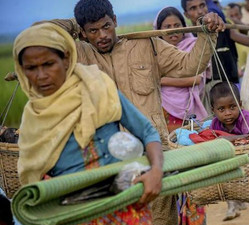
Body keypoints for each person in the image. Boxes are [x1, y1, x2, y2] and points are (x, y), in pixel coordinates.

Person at [40, 0, 225, 224]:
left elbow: (188, 65)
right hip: (105, 164)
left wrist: (207, 32)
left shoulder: (146, 45)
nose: (102, 36)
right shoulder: (77, 55)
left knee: (160, 219)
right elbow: (42, 33)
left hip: (153, 155)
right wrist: (73, 24)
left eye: (106, 26)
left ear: (115, 20)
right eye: (93, 30)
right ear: (83, 32)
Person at [13, 22, 163, 224]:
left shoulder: (98, 86)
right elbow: (33, 179)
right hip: (74, 214)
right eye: (31, 68)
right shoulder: (33, 120)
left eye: (48, 64)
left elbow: (147, 132)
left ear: (66, 59)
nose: (41, 76)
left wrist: (156, 172)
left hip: (125, 204)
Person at [181, 0, 249, 113]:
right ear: (186, 14)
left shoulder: (223, 27)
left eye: (202, 5)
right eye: (193, 8)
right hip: (206, 95)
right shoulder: (187, 38)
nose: (199, 11)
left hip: (232, 89)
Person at [209, 82, 249, 221]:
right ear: (213, 111)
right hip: (232, 156)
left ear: (240, 104)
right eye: (221, 109)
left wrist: (225, 139)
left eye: (232, 107)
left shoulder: (245, 117)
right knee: (227, 177)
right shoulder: (215, 123)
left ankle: (239, 201)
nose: (228, 113)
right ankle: (232, 206)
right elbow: (212, 139)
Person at [153, 7, 209, 133]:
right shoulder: (154, 53)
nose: (173, 30)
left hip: (189, 106)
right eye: (167, 26)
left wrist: (160, 80)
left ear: (184, 27)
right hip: (162, 107)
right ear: (158, 30)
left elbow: (195, 79)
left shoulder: (194, 46)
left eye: (177, 25)